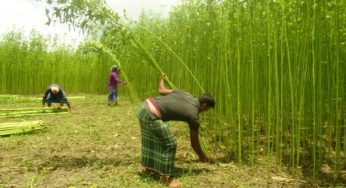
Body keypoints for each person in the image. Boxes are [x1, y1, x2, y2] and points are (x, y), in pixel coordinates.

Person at [136, 74, 215, 188]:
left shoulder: (185, 93)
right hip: (151, 114)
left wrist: (161, 80)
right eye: (206, 109)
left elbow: (161, 90)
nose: (205, 111)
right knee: (170, 143)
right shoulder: (194, 116)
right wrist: (202, 157)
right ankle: (166, 178)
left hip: (143, 108)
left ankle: (149, 169)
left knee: (152, 140)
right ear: (204, 105)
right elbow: (194, 142)